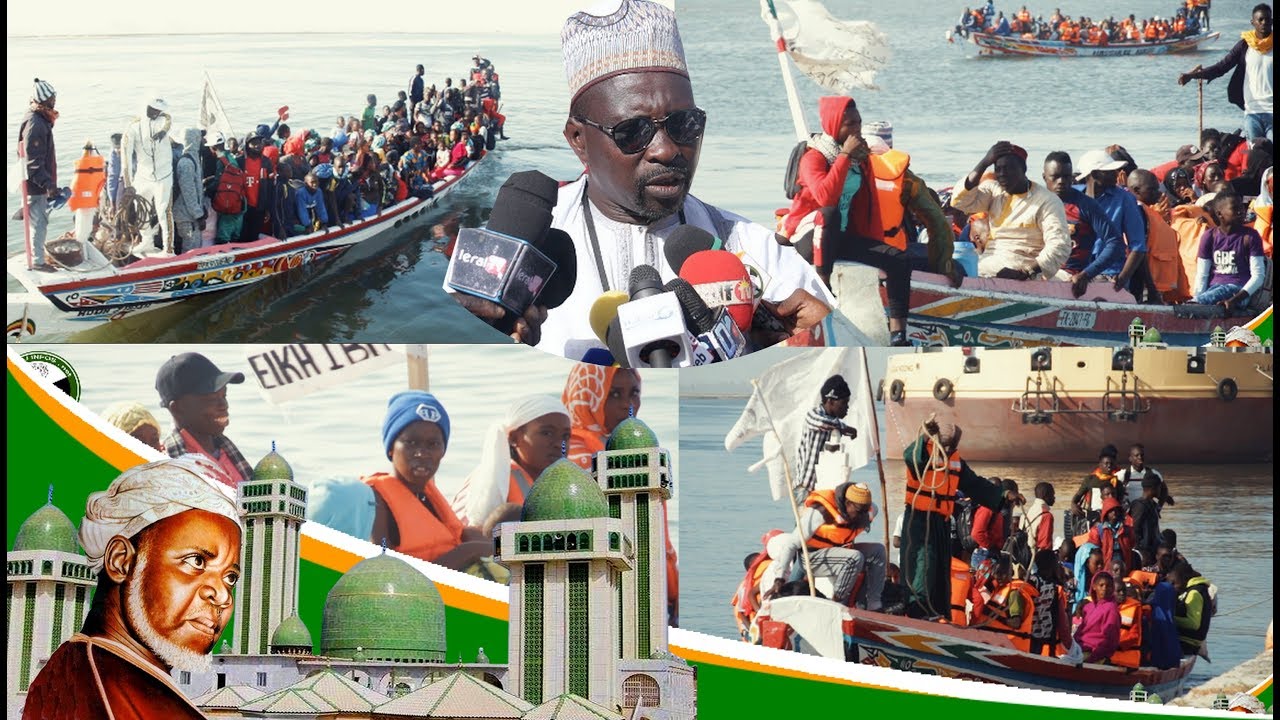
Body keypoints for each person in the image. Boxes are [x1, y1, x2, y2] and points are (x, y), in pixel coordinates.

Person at [455, 0, 833, 356]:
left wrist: (816, 339)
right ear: (578, 141)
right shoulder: (528, 260)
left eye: (685, 125)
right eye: (633, 130)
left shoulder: (758, 251)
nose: (666, 150)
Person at [23, 456, 242, 720]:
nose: (221, 596)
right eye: (196, 561)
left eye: (230, 577)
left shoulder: (111, 675)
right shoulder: (104, 690)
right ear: (121, 561)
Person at [782, 96, 915, 344]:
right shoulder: (814, 157)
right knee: (829, 214)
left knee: (899, 259)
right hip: (808, 237)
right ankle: (823, 284)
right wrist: (843, 155)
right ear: (833, 124)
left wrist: (858, 158)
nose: (856, 130)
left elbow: (865, 204)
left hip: (838, 237)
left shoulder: (856, 160)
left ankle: (898, 333)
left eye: (858, 123)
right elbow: (825, 197)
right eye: (849, 124)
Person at [900, 417, 1023, 619]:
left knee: (940, 568)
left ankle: (937, 613)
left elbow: (976, 485)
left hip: (941, 523)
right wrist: (925, 436)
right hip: (920, 521)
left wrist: (1004, 495)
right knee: (923, 565)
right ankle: (916, 612)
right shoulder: (923, 452)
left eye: (953, 445)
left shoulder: (955, 460)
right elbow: (909, 457)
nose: (949, 449)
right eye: (947, 445)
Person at [365, 391, 492, 570]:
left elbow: (454, 537)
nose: (422, 453)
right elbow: (386, 576)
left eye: (433, 444)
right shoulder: (375, 499)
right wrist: (468, 551)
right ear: (391, 448)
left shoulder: (427, 494)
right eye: (411, 443)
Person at [950, 141, 1072, 281]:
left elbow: (1060, 245)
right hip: (987, 262)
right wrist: (984, 162)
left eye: (1008, 168)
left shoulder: (1047, 200)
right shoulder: (994, 191)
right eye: (998, 169)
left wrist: (1027, 271)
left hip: (1023, 268)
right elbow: (960, 202)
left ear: (1024, 169)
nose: (1002, 174)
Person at [451, 395, 571, 526]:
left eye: (566, 436)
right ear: (514, 438)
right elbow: (467, 534)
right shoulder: (491, 479)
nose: (560, 444)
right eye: (547, 433)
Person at [777, 482, 887, 610]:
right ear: (847, 504)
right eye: (857, 511)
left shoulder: (869, 511)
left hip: (840, 552)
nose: (860, 515)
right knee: (854, 557)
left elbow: (865, 512)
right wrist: (779, 578)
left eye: (864, 511)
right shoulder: (821, 512)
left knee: (878, 550)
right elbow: (791, 544)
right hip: (813, 558)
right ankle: (836, 604)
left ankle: (874, 604)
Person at [1179, 5, 1272, 143]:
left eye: (1267, 19)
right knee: (1256, 156)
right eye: (1260, 19)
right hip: (1252, 113)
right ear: (1253, 22)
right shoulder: (1244, 46)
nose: (1264, 23)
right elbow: (1221, 67)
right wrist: (1192, 76)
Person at [156, 352, 253, 487]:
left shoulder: (226, 450)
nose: (224, 405)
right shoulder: (170, 467)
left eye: (224, 395)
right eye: (211, 399)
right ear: (177, 408)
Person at [1041, 151, 1124, 297]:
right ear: (1045, 178)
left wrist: (1086, 275)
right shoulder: (1036, 203)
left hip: (1070, 277)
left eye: (1066, 177)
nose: (1061, 181)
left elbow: (1115, 243)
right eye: (1055, 177)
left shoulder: (1086, 206)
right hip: (1038, 269)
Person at [1075, 149, 1153, 301]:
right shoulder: (1073, 196)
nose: (1116, 173)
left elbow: (1138, 246)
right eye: (1110, 171)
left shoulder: (1124, 199)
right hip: (1075, 270)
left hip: (1108, 274)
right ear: (1096, 175)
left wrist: (1122, 278)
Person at [1192, 191, 1267, 311]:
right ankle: (1193, 305)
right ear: (1219, 214)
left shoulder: (1250, 236)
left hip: (1240, 293)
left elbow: (1258, 276)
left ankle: (1193, 304)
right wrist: (1198, 299)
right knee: (1217, 291)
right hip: (1213, 291)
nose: (1241, 212)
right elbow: (1202, 274)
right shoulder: (1209, 237)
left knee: (1225, 290)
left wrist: (1233, 300)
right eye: (1234, 208)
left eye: (1242, 207)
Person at [122, 96, 175, 256]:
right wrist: (128, 184)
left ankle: (168, 249)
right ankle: (147, 241)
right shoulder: (132, 128)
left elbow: (168, 121)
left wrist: (162, 133)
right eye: (151, 109)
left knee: (164, 211)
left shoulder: (163, 121)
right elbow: (126, 156)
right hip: (143, 176)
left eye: (157, 110)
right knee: (141, 210)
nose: (154, 113)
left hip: (164, 176)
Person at [793, 375, 858, 501]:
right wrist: (845, 428)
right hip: (806, 488)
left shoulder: (834, 425)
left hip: (823, 488)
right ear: (831, 401)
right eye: (844, 403)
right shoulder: (814, 415)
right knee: (805, 520)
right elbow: (823, 423)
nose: (847, 407)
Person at [18, 78, 59, 271]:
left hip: (34, 183)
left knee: (37, 220)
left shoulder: (37, 118)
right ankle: (39, 262)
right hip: (35, 185)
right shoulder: (36, 125)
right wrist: (48, 185)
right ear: (44, 100)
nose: (54, 100)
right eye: (52, 97)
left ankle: (36, 255)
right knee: (39, 221)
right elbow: (33, 164)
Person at [974, 556, 1038, 651]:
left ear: (1011, 573)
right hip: (993, 644)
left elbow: (1015, 623)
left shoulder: (1014, 594)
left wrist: (991, 615)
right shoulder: (999, 590)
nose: (998, 577)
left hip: (1009, 647)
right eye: (996, 573)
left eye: (1003, 573)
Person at [1027, 549, 1072, 656]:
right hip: (1034, 629)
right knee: (1034, 652)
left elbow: (1055, 611)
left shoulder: (1054, 585)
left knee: (1045, 652)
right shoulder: (1034, 581)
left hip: (1047, 629)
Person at [1073, 570, 1121, 664]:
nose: (1105, 588)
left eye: (1109, 586)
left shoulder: (1111, 609)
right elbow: (1080, 631)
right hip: (1079, 650)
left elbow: (1110, 641)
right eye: (1101, 585)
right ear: (1094, 587)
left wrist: (1091, 659)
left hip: (1094, 656)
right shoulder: (1088, 607)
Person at [1168, 561, 1213, 656]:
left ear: (1183, 579)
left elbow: (1193, 624)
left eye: (1174, 583)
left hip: (1189, 642)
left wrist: (1170, 618)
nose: (1172, 587)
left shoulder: (1194, 593)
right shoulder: (1193, 590)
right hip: (1186, 640)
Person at [1070, 444, 1121, 525]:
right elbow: (1078, 496)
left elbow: (1120, 501)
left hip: (1112, 518)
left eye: (1111, 463)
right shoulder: (1091, 479)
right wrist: (1073, 504)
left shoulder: (1117, 481)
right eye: (1106, 463)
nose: (1109, 466)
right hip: (1093, 516)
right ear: (1100, 464)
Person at [171, 127, 204, 255]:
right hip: (187, 217)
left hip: (189, 214)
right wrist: (198, 215)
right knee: (190, 251)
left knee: (194, 248)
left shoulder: (193, 159)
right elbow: (188, 192)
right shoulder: (186, 163)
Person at [1086, 497, 1136, 573]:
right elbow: (1093, 551)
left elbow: (1132, 543)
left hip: (1123, 566)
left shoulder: (1127, 530)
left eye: (1116, 510)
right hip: (1106, 567)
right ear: (1106, 513)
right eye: (1111, 511)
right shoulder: (1098, 530)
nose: (1114, 513)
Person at [69, 140, 105, 244]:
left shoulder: (80, 165)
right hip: (89, 203)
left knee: (80, 222)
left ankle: (79, 240)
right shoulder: (96, 165)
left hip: (80, 201)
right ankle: (82, 244)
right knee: (85, 227)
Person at [1118, 442, 1174, 508]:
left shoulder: (1154, 474)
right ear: (1130, 458)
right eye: (1137, 455)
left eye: (1142, 455)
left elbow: (1164, 490)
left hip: (1147, 513)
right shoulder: (1122, 475)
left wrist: (1158, 507)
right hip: (1129, 514)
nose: (1140, 457)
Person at [1127, 478, 1163, 580]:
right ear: (1152, 488)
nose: (1160, 490)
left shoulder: (1152, 504)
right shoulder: (1140, 506)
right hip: (1144, 551)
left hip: (1152, 549)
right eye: (1159, 487)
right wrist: (1140, 550)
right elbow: (1135, 528)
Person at [1021, 481, 1056, 555]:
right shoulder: (1046, 515)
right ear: (1045, 496)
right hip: (1035, 557)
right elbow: (1045, 545)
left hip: (1023, 554)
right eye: (1052, 495)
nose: (1054, 498)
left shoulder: (1028, 512)